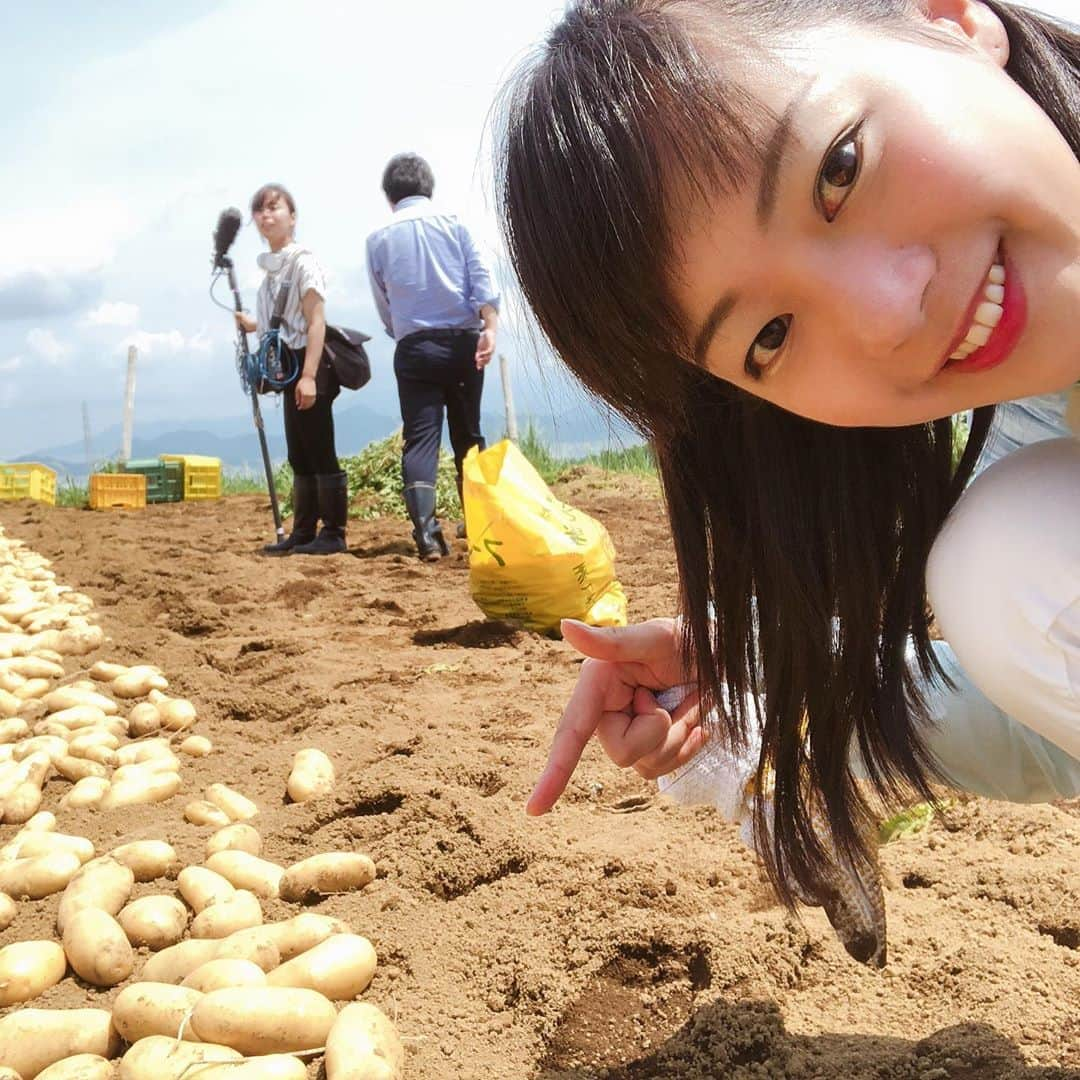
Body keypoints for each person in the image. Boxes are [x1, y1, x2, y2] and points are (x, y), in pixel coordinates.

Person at [496, 0, 1080, 965]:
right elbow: (1050, 710)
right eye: (769, 336)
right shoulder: (1030, 414)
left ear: (946, 19)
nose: (890, 315)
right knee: (1009, 564)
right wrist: (770, 688)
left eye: (838, 168)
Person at [366, 153, 500, 560]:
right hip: (463, 343)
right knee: (468, 435)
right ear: (429, 188)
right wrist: (489, 326)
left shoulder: (378, 237)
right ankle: (479, 526)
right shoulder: (455, 223)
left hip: (415, 348)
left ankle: (427, 536)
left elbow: (382, 299)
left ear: (389, 196)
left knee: (420, 440)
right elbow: (482, 276)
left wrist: (401, 331)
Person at [236, 183, 348, 556]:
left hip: (307, 363)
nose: (266, 215)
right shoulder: (270, 270)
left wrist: (310, 376)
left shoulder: (303, 262)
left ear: (292, 216)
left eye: (274, 207)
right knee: (299, 451)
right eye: (259, 210)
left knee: (319, 447)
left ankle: (333, 533)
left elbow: (316, 322)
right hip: (287, 364)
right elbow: (281, 322)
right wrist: (253, 325)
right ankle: (303, 532)